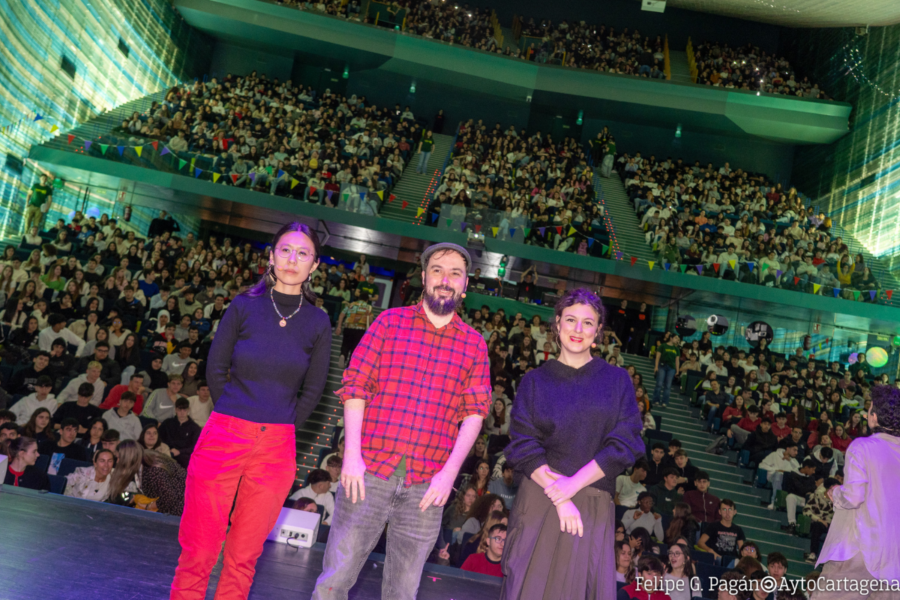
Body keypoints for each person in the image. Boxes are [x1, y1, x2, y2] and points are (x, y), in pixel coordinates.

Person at [312, 242, 491, 600]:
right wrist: (351, 455)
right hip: (369, 472)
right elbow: (355, 385)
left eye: (455, 273)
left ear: (465, 285)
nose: (445, 279)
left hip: (428, 484)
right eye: (437, 270)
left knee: (403, 590)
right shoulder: (388, 322)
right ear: (424, 277)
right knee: (335, 579)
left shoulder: (474, 345)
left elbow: (474, 413)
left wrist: (450, 474)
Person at [171, 223, 332, 599]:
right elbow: (216, 367)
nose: (293, 259)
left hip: (276, 446)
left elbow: (314, 388)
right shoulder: (244, 305)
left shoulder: (318, 321)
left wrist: (283, 425)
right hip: (225, 431)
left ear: (315, 265)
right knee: (199, 548)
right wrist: (234, 410)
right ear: (271, 256)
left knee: (243, 556)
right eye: (286, 250)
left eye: (303, 253)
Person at [501, 288, 645, 600]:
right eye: (570, 320)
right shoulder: (534, 380)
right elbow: (522, 445)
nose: (578, 330)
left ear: (598, 331)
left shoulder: (617, 380)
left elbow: (625, 443)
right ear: (557, 325)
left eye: (587, 323)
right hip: (540, 496)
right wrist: (561, 496)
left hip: (591, 501)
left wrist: (572, 486)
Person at [813, 385, 900, 595]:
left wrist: (835, 492)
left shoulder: (862, 446)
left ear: (873, 417)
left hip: (857, 551)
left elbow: (853, 496)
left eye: (869, 409)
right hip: (894, 564)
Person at [697, 499, 745, 565]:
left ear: (735, 512)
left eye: (730, 509)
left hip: (732, 561)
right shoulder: (713, 526)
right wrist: (710, 551)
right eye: (724, 509)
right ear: (720, 512)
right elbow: (700, 542)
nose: (727, 512)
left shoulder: (738, 529)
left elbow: (742, 549)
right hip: (716, 559)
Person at [159, 398, 202, 469]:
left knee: (187, 460)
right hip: (166, 452)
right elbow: (159, 437)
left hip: (184, 456)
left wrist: (180, 451)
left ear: (189, 410)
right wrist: (166, 448)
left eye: (184, 410)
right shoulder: (167, 423)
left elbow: (195, 447)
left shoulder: (195, 428)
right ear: (175, 410)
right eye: (179, 410)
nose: (182, 413)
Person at [653, 334, 680, 407]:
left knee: (668, 385)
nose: (677, 340)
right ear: (671, 338)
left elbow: (677, 361)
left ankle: (665, 401)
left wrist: (677, 370)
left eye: (677, 338)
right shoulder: (663, 346)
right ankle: (656, 400)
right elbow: (658, 357)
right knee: (659, 383)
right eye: (676, 338)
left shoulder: (676, 349)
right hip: (662, 366)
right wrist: (656, 367)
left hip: (671, 368)